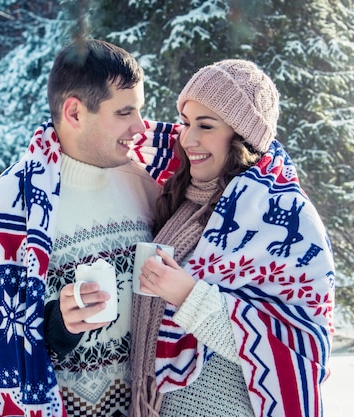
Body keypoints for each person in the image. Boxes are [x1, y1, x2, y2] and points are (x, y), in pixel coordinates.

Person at [0, 38, 168, 417]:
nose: (139, 127)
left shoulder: (146, 182)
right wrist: (57, 325)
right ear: (74, 112)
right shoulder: (12, 205)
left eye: (140, 110)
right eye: (125, 112)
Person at [128, 59, 335, 417]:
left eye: (205, 125)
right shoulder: (182, 198)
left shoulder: (283, 213)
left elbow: (291, 348)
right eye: (186, 123)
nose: (188, 139)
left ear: (242, 134)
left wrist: (188, 296)